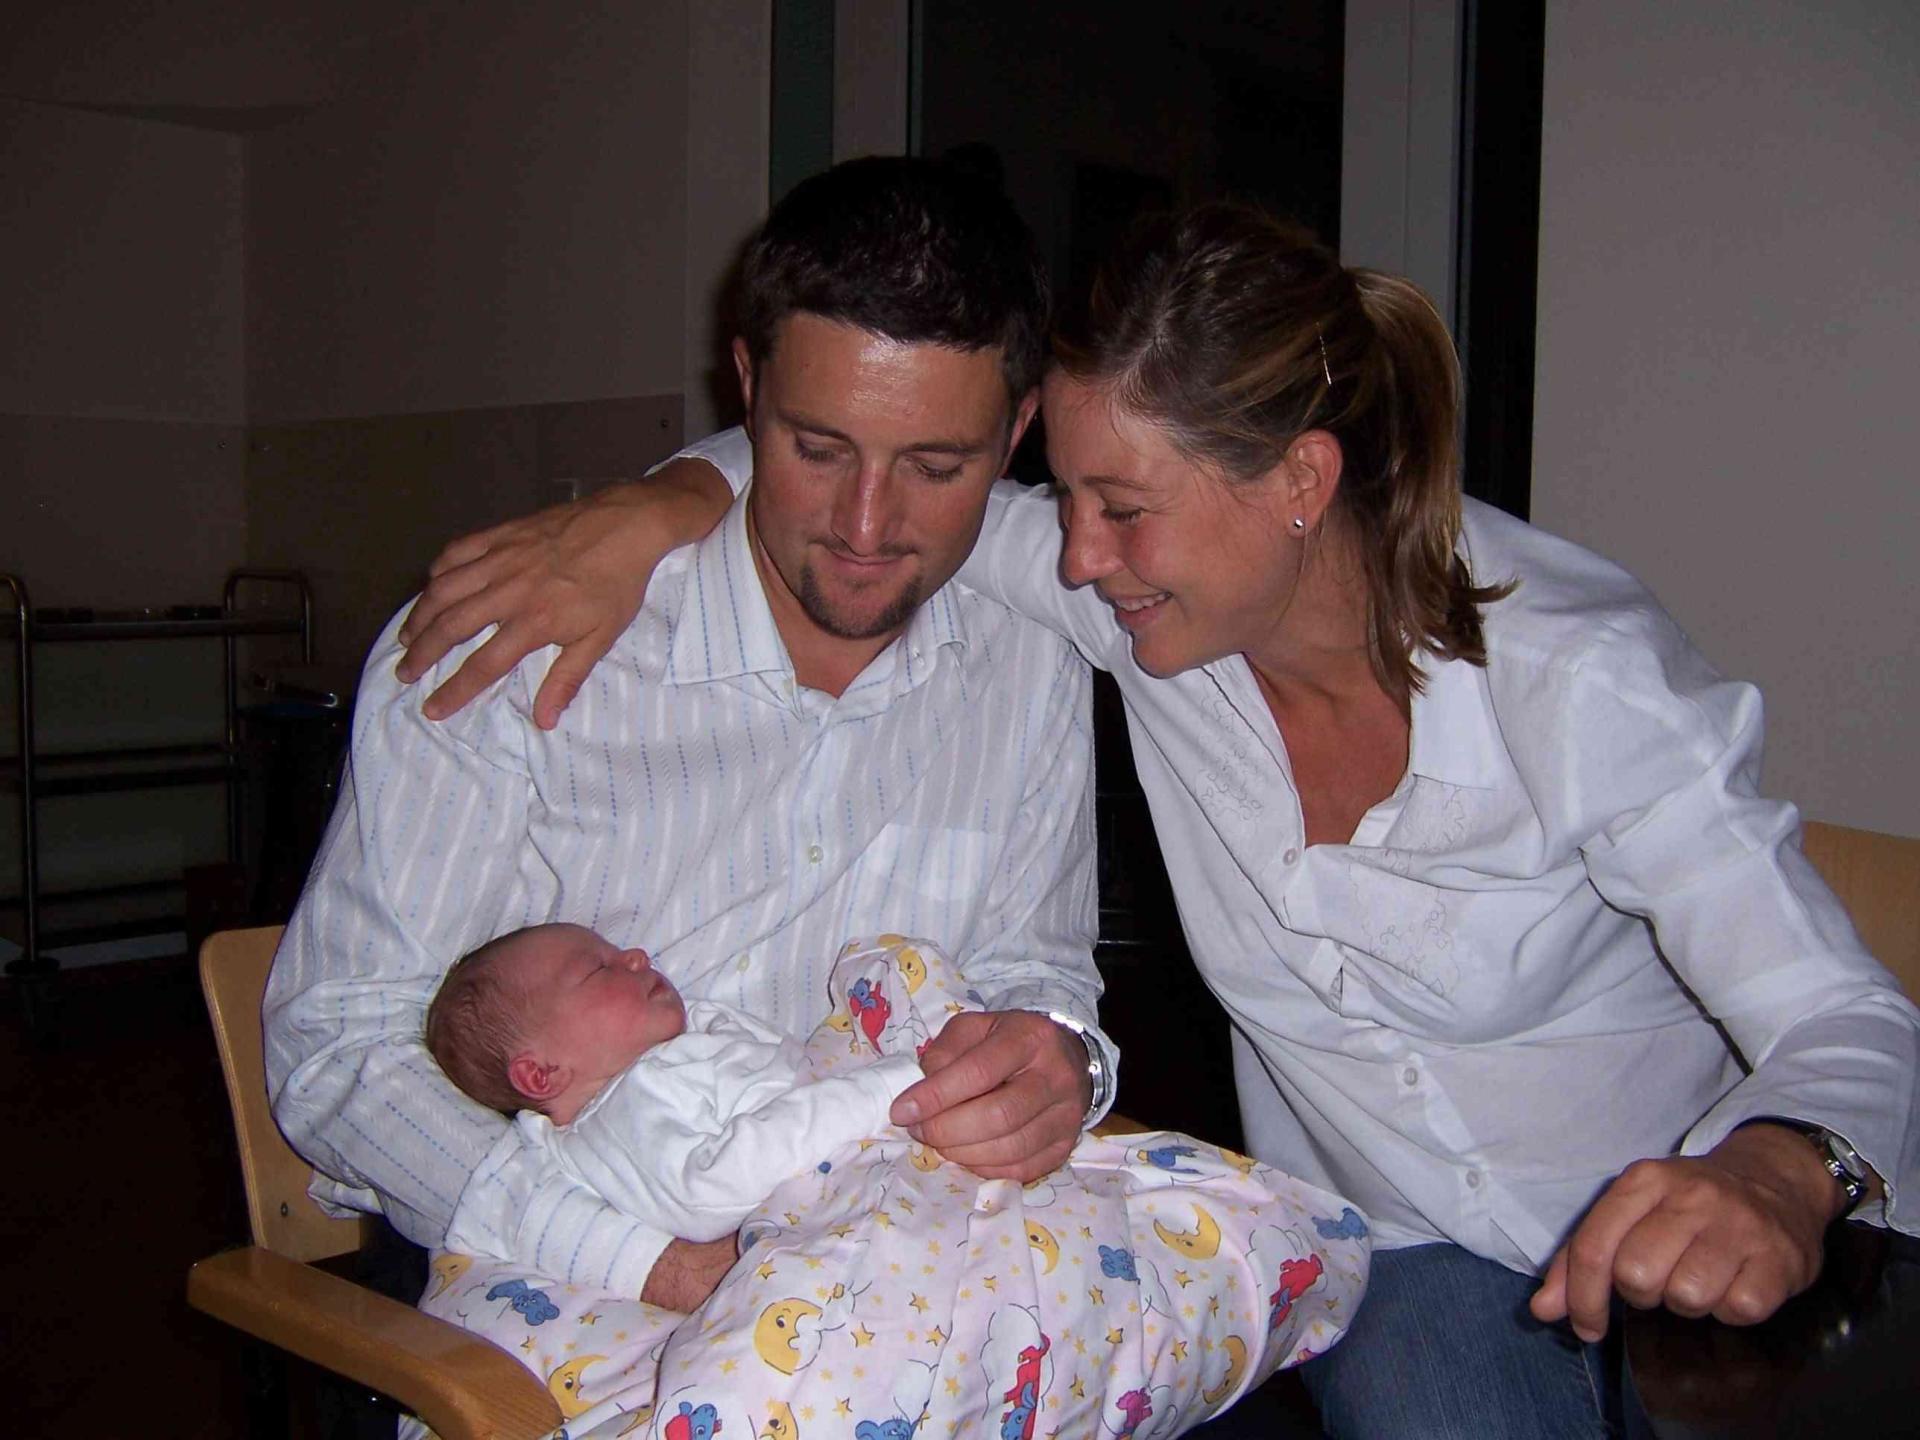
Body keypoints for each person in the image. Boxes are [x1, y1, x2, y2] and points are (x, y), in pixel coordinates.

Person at [396, 203, 1919, 1438]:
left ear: (1301, 481)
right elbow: (871, 475)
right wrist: (650, 508)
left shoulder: (1577, 681)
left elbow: (1842, 1013)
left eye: (1122, 508)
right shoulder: (1146, 616)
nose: (1076, 555)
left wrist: (1780, 1171)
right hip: (1403, 1253)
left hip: (1688, 1240)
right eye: (1066, 496)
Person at [264, 155, 1113, 1320]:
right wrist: (634, 1257)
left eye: (934, 466)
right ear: (747, 388)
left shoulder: (1029, 657)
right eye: (817, 448)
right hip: (552, 1273)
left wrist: (1063, 1059)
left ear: (1016, 431)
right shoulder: (508, 646)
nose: (867, 527)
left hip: (905, 1264)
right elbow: (340, 1045)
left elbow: (1039, 969)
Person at [424, 923, 924, 1251]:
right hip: (838, 1214)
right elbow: (715, 1186)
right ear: (542, 1074)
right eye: (599, 968)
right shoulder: (624, 1117)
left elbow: (796, 1068)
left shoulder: (678, 1048)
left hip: (875, 1150)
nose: (637, 956)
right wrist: (889, 1089)